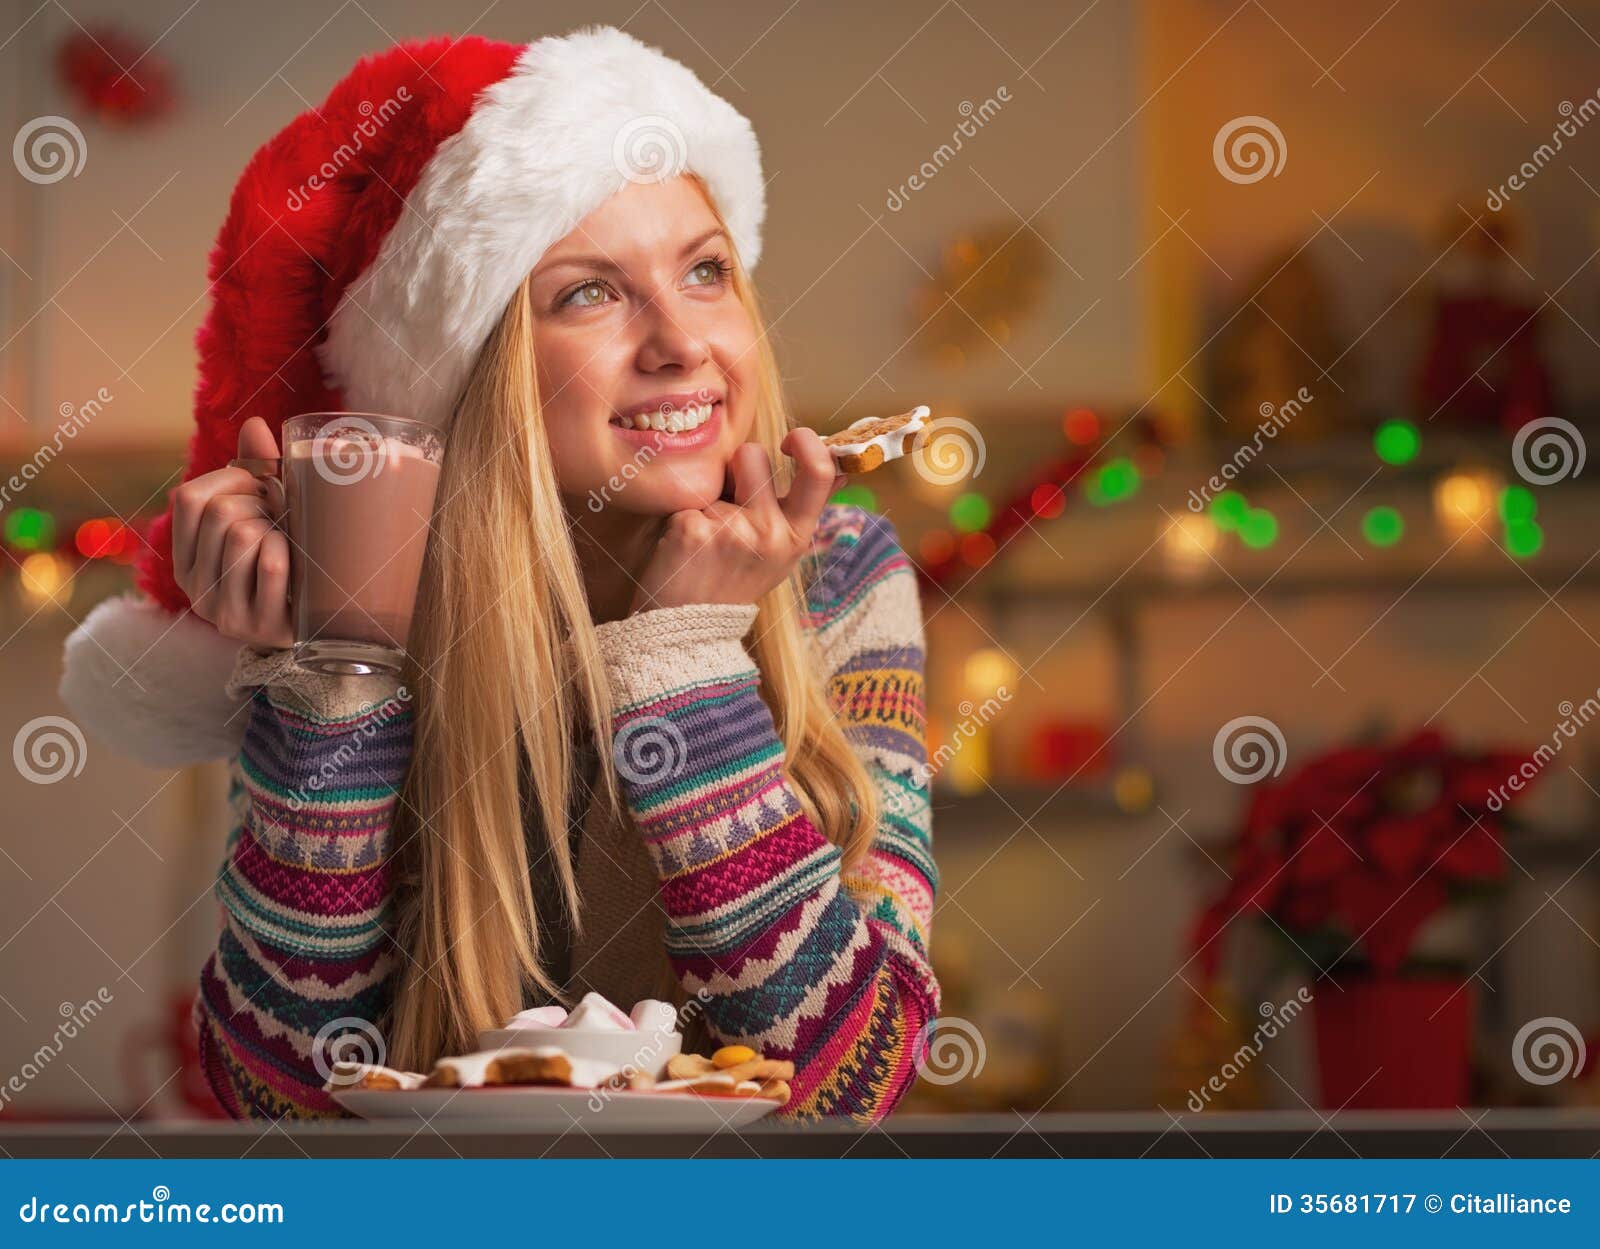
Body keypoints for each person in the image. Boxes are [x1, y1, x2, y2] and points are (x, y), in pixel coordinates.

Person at [59, 25, 937, 1122]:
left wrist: (685, 667)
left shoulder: (840, 573)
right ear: (469, 368)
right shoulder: (358, 605)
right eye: (588, 293)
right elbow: (275, 1100)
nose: (682, 342)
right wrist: (337, 676)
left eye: (705, 271)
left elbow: (856, 1081)